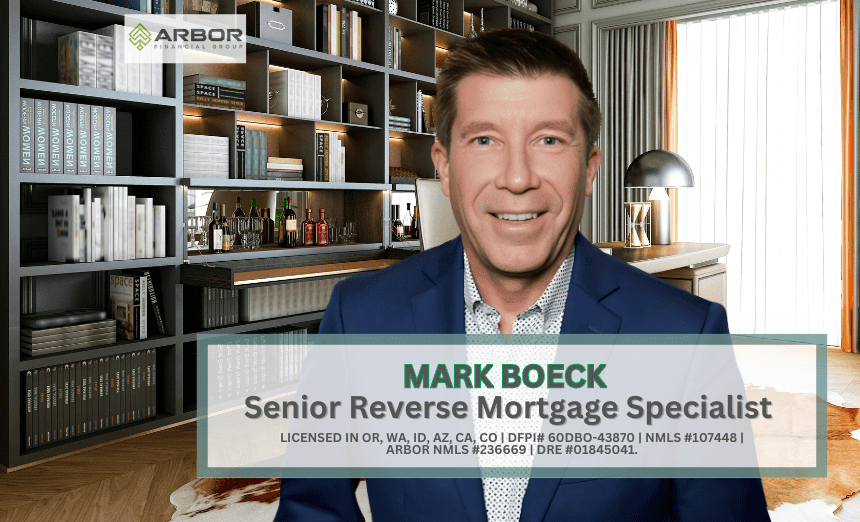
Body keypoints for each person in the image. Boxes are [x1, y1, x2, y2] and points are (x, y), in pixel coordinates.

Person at [274, 28, 769, 521]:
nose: (517, 178)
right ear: (444, 166)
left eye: (549, 139)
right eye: (485, 139)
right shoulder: (359, 317)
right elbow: (312, 509)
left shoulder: (687, 338)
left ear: (589, 168)